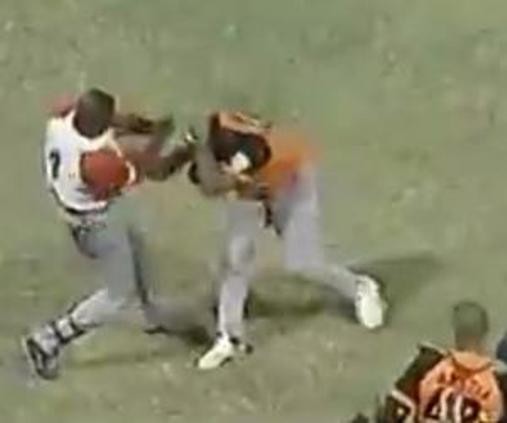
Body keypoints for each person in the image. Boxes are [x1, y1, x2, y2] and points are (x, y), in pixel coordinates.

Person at [187, 110, 386, 370]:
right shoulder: (218, 134)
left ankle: (361, 287)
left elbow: (214, 184)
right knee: (235, 262)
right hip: (251, 190)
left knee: (304, 263)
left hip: (290, 182)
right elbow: (206, 179)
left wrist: (199, 152)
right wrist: (198, 153)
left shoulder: (249, 147)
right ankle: (230, 337)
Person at [22, 88, 194, 380]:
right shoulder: (97, 164)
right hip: (96, 225)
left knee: (137, 251)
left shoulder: (63, 118)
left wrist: (148, 126)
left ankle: (153, 315)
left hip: (90, 210)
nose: (114, 121)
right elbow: (155, 169)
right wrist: (182, 146)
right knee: (117, 294)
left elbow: (114, 119)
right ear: (98, 124)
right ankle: (50, 338)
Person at [355, 301, 507, 422]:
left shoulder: (427, 364)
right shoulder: (499, 382)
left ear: (456, 332)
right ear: (485, 332)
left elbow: (394, 412)